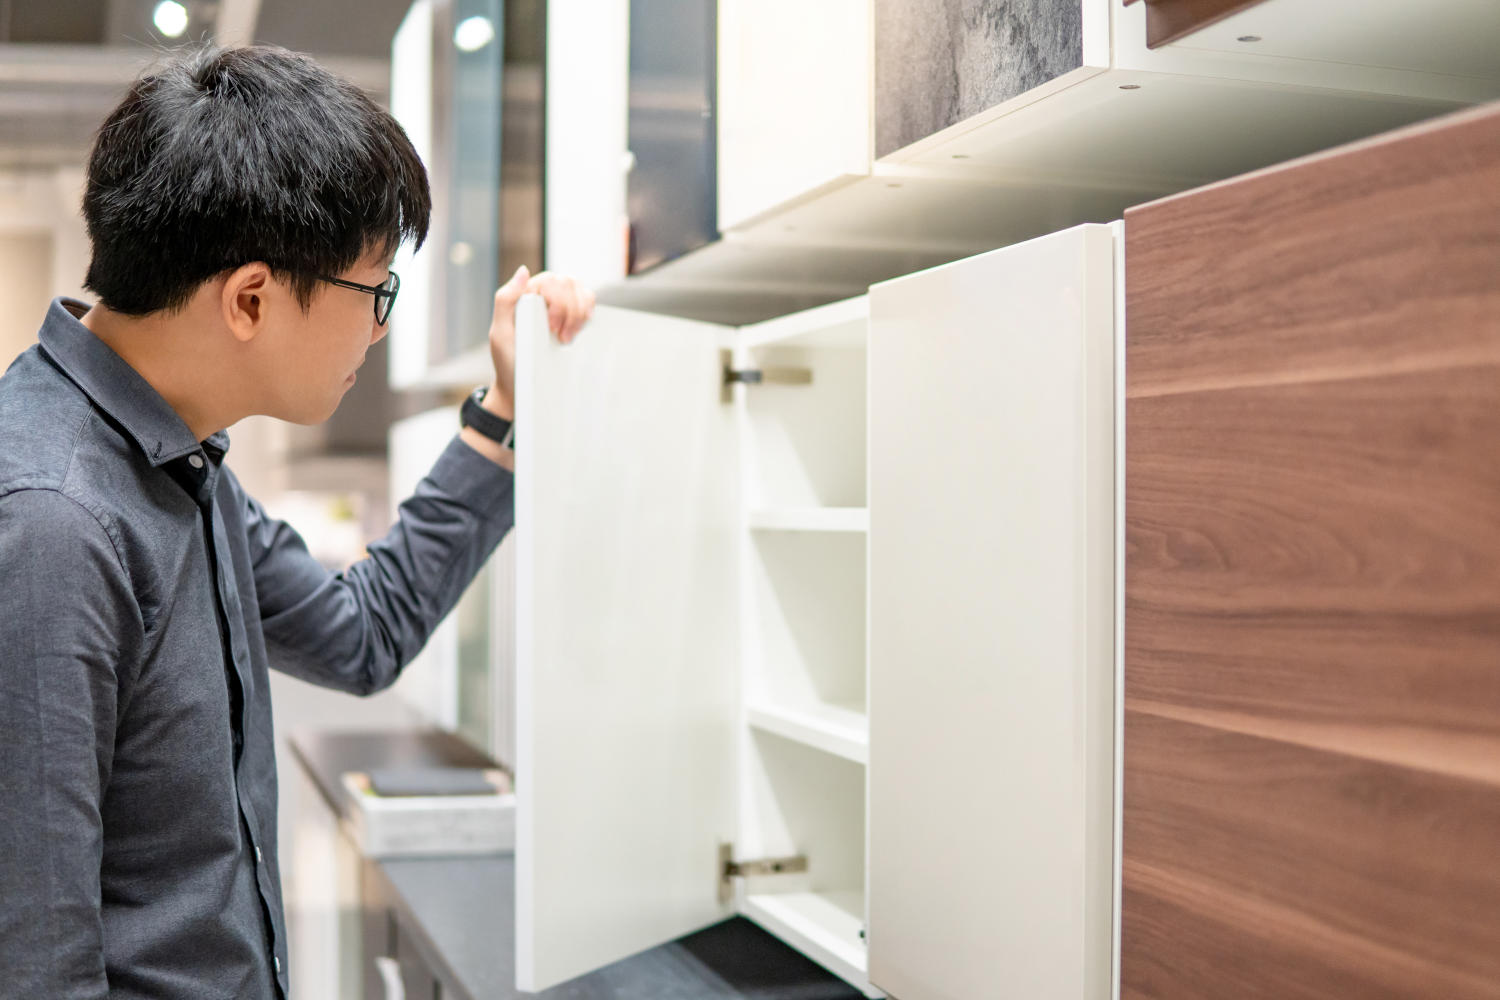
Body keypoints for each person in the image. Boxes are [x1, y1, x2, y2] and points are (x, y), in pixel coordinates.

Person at [0, 44, 593, 999]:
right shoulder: (53, 521)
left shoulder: (181, 461)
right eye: (375, 292)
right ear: (250, 299)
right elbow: (34, 966)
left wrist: (502, 412)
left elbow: (362, 634)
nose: (379, 326)